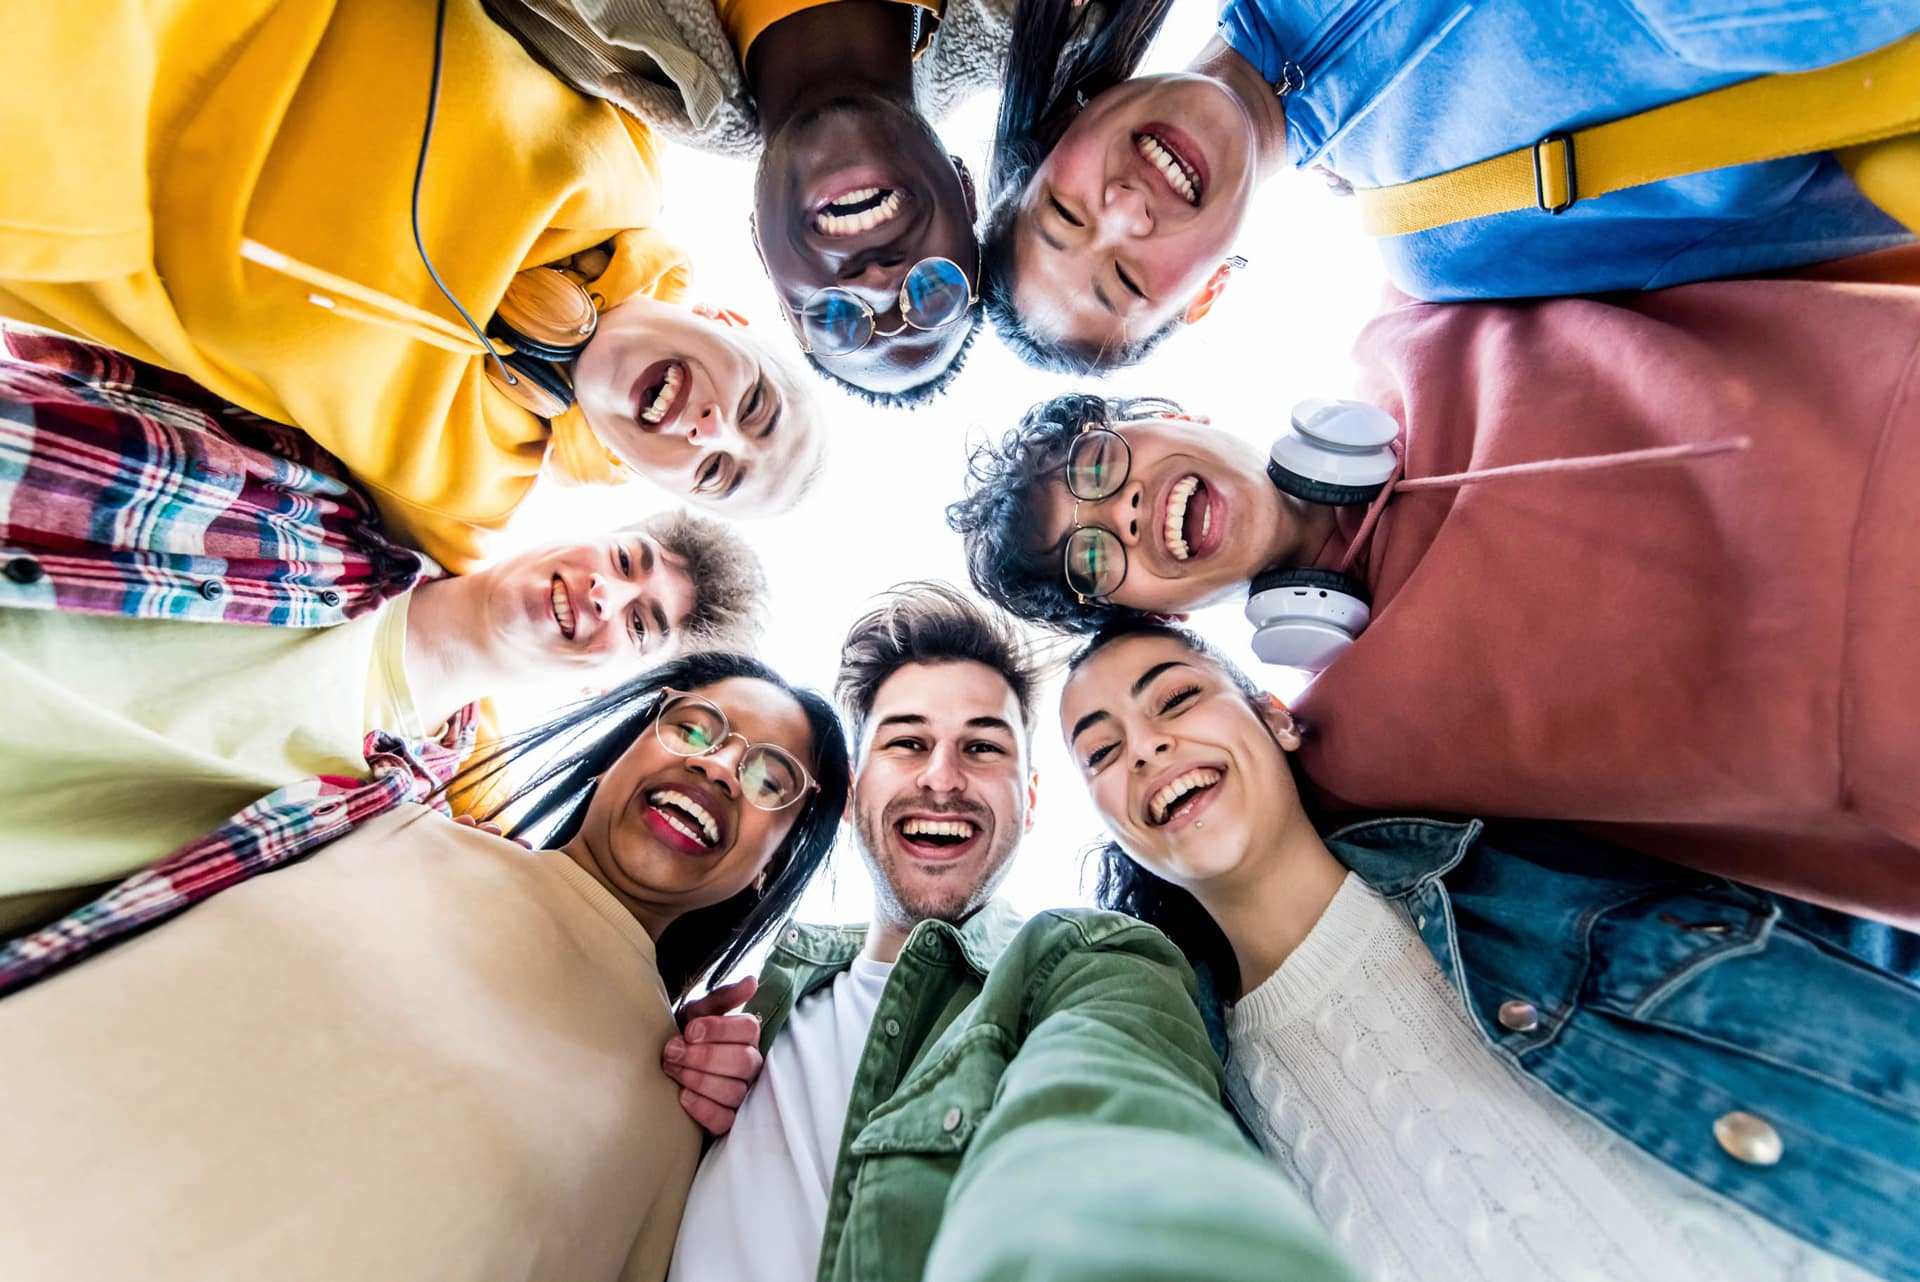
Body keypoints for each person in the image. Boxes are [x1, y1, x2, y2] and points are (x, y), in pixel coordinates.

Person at [948, 246, 1920, 926]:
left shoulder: (1420, 298)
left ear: (1173, 411)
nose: (1116, 512)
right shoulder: (1357, 761)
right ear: (1158, 614)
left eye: (1097, 466)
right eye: (1090, 558)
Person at [1058, 618, 1920, 1282]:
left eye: (1174, 699)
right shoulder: (1202, 1107)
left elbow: (1847, 940)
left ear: (1276, 718)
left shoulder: (1536, 873)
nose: (1145, 747)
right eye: (1101, 749)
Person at [0, 652, 852, 1282]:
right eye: (693, 728)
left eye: (769, 777)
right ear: (629, 745)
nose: (714, 766)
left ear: (772, 866)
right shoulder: (370, 813)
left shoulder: (683, 1129)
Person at [665, 582, 1358, 1282]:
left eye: (983, 747)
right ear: (851, 792)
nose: (943, 778)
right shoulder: (751, 1001)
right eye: (908, 742)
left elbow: (1114, 1118)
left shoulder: (1086, 970)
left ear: (1029, 803)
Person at [0, 0, 825, 571]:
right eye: (755, 407)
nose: (713, 431)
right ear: (728, 318)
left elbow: (439, 647)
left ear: (657, 481)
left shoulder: (469, 493)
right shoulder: (633, 140)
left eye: (716, 474)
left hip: (39, 176)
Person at [0, 333, 769, 938]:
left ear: (604, 686)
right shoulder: (311, 497)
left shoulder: (406, 829)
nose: (607, 592)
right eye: (628, 562)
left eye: (641, 624)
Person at [978, 0, 1920, 371]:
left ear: (1065, 122)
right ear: (1208, 295)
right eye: (1130, 280)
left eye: (1067, 212)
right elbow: (1814, 204)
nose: (1128, 214)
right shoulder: (1448, 239)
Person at [480, 0, 1036, 405]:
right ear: (968, 193)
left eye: (838, 319)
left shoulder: (593, 52)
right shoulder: (1028, 17)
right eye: (933, 291)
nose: (875, 280)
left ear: (763, 257)